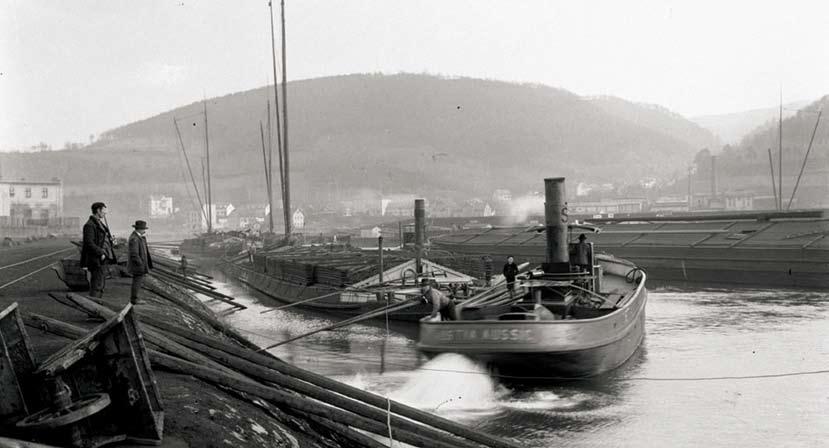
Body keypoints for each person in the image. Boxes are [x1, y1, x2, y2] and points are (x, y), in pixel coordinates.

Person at [80, 202, 116, 298]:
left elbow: (101, 239)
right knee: (97, 285)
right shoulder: (89, 225)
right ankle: (93, 308)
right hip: (96, 259)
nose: (105, 213)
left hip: (101, 259)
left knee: (100, 284)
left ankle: (97, 306)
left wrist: (110, 240)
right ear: (98, 210)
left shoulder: (99, 223)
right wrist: (101, 253)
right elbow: (89, 243)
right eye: (104, 211)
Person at [127, 220, 153, 304]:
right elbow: (134, 254)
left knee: (137, 281)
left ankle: (135, 298)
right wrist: (141, 264)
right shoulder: (134, 238)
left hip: (139, 265)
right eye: (143, 229)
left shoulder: (138, 237)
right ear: (139, 229)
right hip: (138, 266)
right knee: (137, 282)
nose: (144, 231)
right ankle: (134, 299)